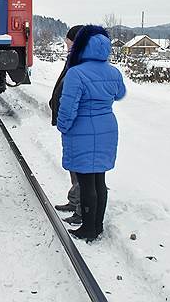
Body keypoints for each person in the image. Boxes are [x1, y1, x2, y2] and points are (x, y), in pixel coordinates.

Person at [56, 24, 126, 241]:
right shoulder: (113, 72)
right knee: (99, 181)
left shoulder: (76, 73)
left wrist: (63, 126)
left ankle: (87, 228)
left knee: (86, 182)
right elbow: (120, 94)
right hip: (107, 127)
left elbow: (68, 108)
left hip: (82, 128)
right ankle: (97, 225)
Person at [50, 25, 83, 225]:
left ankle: (81, 208)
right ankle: (75, 201)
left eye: (68, 41)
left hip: (78, 123)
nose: (66, 44)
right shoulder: (74, 58)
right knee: (73, 162)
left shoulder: (79, 61)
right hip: (71, 122)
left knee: (80, 164)